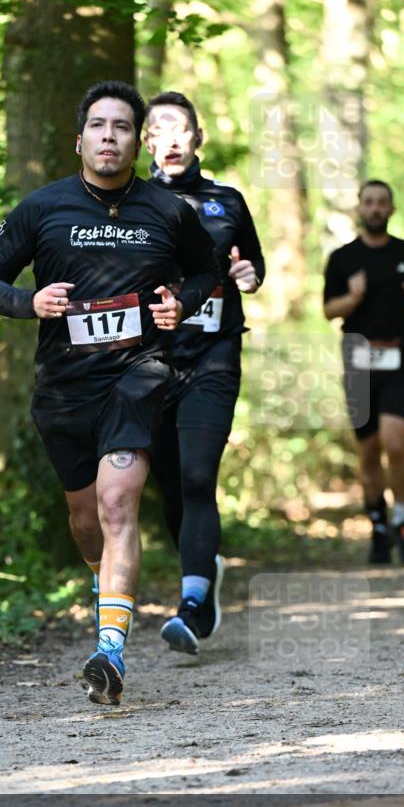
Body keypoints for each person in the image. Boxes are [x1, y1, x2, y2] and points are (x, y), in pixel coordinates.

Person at [0, 81, 218, 704]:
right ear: (79, 138)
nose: (110, 137)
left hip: (138, 374)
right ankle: (104, 585)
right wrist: (28, 301)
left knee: (117, 504)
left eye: (122, 128)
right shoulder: (42, 208)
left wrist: (179, 304)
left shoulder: (167, 211)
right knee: (86, 518)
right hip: (63, 388)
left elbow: (205, 271)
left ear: (137, 141)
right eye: (99, 126)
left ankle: (109, 650)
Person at [144, 91, 265, 655]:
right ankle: (205, 569)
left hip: (213, 356)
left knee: (197, 478)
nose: (169, 137)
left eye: (180, 128)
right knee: (170, 488)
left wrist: (247, 273)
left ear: (198, 138)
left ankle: (192, 604)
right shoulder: (130, 203)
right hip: (147, 363)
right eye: (158, 128)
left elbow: (254, 265)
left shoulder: (227, 201)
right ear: (145, 140)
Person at [323, 179, 404, 563]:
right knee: (369, 449)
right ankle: (378, 525)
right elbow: (328, 310)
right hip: (358, 360)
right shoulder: (342, 258)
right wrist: (352, 297)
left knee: (396, 442)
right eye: (368, 202)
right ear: (360, 207)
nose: (375, 208)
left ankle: (403, 520)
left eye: (381, 203)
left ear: (391, 209)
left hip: (400, 358)